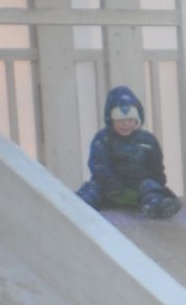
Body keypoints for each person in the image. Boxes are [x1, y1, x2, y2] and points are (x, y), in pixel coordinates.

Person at [77, 85, 180, 219]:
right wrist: (111, 184)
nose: (125, 124)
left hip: (137, 189)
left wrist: (157, 181)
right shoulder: (103, 139)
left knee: (151, 187)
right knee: (91, 188)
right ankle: (81, 205)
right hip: (109, 189)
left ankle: (155, 205)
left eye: (130, 120)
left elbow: (156, 167)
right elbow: (98, 165)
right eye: (120, 120)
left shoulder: (147, 141)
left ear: (137, 120)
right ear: (111, 120)